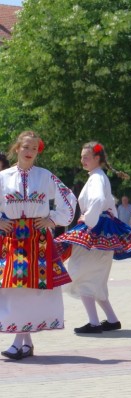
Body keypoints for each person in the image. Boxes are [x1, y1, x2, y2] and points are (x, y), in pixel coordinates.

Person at [0, 131, 77, 360]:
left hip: (38, 239)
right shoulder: (4, 177)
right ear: (17, 148)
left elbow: (68, 198)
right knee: (14, 288)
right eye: (25, 147)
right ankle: (24, 343)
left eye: (34, 148)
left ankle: (19, 343)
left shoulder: (45, 177)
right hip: (12, 238)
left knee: (31, 289)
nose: (30, 152)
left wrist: (53, 219)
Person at [56, 141, 131, 334]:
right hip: (103, 229)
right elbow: (108, 206)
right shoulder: (98, 177)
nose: (82, 160)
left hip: (95, 230)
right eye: (81, 157)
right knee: (95, 277)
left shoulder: (97, 178)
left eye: (86, 157)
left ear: (98, 158)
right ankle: (112, 320)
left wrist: (87, 220)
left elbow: (97, 201)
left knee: (81, 272)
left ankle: (94, 323)